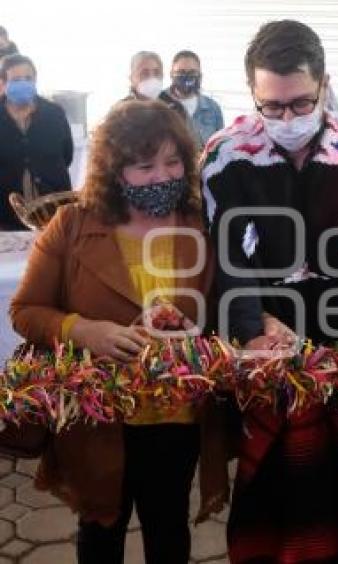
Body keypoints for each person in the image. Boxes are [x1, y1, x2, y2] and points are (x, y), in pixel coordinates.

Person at [201, 20, 338, 563]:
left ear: (325, 85)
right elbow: (227, 260)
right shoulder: (226, 158)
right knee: (266, 476)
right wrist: (255, 330)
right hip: (263, 339)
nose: (287, 120)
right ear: (253, 93)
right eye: (271, 107)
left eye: (301, 104)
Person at [9, 100, 230, 563]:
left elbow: (226, 306)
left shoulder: (201, 223)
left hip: (177, 416)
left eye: (172, 162)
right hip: (100, 417)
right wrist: (82, 329)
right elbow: (26, 309)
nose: (161, 176)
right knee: (100, 526)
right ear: (114, 170)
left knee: (168, 526)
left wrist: (204, 337)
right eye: (144, 165)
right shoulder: (71, 226)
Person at [0, 54, 73, 230]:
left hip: (55, 211)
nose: (23, 83)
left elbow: (67, 155)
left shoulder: (54, 113)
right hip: (6, 216)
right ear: (3, 83)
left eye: (28, 78)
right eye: (16, 79)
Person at [168, 50, 224, 147]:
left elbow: (220, 147)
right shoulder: (159, 104)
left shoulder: (213, 108)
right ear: (171, 75)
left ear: (200, 76)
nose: (186, 76)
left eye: (192, 72)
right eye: (181, 72)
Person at [124, 51, 186, 118]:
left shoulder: (175, 108)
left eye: (157, 72)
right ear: (132, 78)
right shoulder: (122, 111)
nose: (152, 77)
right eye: (144, 73)